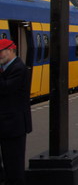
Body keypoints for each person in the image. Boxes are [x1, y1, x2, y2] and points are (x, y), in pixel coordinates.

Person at [0, 39, 32, 185]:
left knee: (14, 163)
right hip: (5, 123)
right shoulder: (5, 68)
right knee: (7, 161)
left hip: (14, 125)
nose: (0, 55)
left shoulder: (19, 68)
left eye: (1, 52)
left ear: (11, 50)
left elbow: (6, 88)